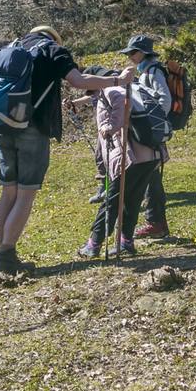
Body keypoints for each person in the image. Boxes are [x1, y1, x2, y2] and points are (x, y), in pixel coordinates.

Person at [0, 26, 135, 275]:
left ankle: (0, 255)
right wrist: (118, 80)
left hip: (1, 128)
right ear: (53, 37)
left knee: (8, 192)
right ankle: (5, 255)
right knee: (25, 194)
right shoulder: (53, 51)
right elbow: (79, 81)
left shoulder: (7, 49)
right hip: (34, 129)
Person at [77, 79, 163, 258]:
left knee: (112, 201)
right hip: (150, 154)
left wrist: (110, 127)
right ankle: (126, 242)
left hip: (132, 157)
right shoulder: (123, 88)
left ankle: (94, 244)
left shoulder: (111, 91)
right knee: (132, 199)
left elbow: (123, 104)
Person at [121, 35, 176, 240]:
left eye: (132, 52)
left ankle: (156, 224)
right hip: (150, 131)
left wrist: (152, 123)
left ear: (143, 52)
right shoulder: (146, 70)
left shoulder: (153, 71)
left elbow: (165, 99)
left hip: (152, 132)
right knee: (151, 176)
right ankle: (156, 223)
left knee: (152, 177)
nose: (129, 56)